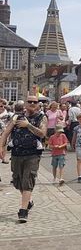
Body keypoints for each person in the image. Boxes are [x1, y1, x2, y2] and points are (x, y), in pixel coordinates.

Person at [0, 95, 47, 223]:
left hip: (32, 154)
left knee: (28, 179)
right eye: (30, 101)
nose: (32, 103)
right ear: (25, 103)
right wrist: (1, 147)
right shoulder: (16, 117)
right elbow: (6, 133)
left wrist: (28, 125)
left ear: (38, 104)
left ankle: (23, 211)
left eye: (35, 102)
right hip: (16, 153)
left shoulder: (41, 117)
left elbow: (42, 133)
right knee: (17, 181)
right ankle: (29, 201)